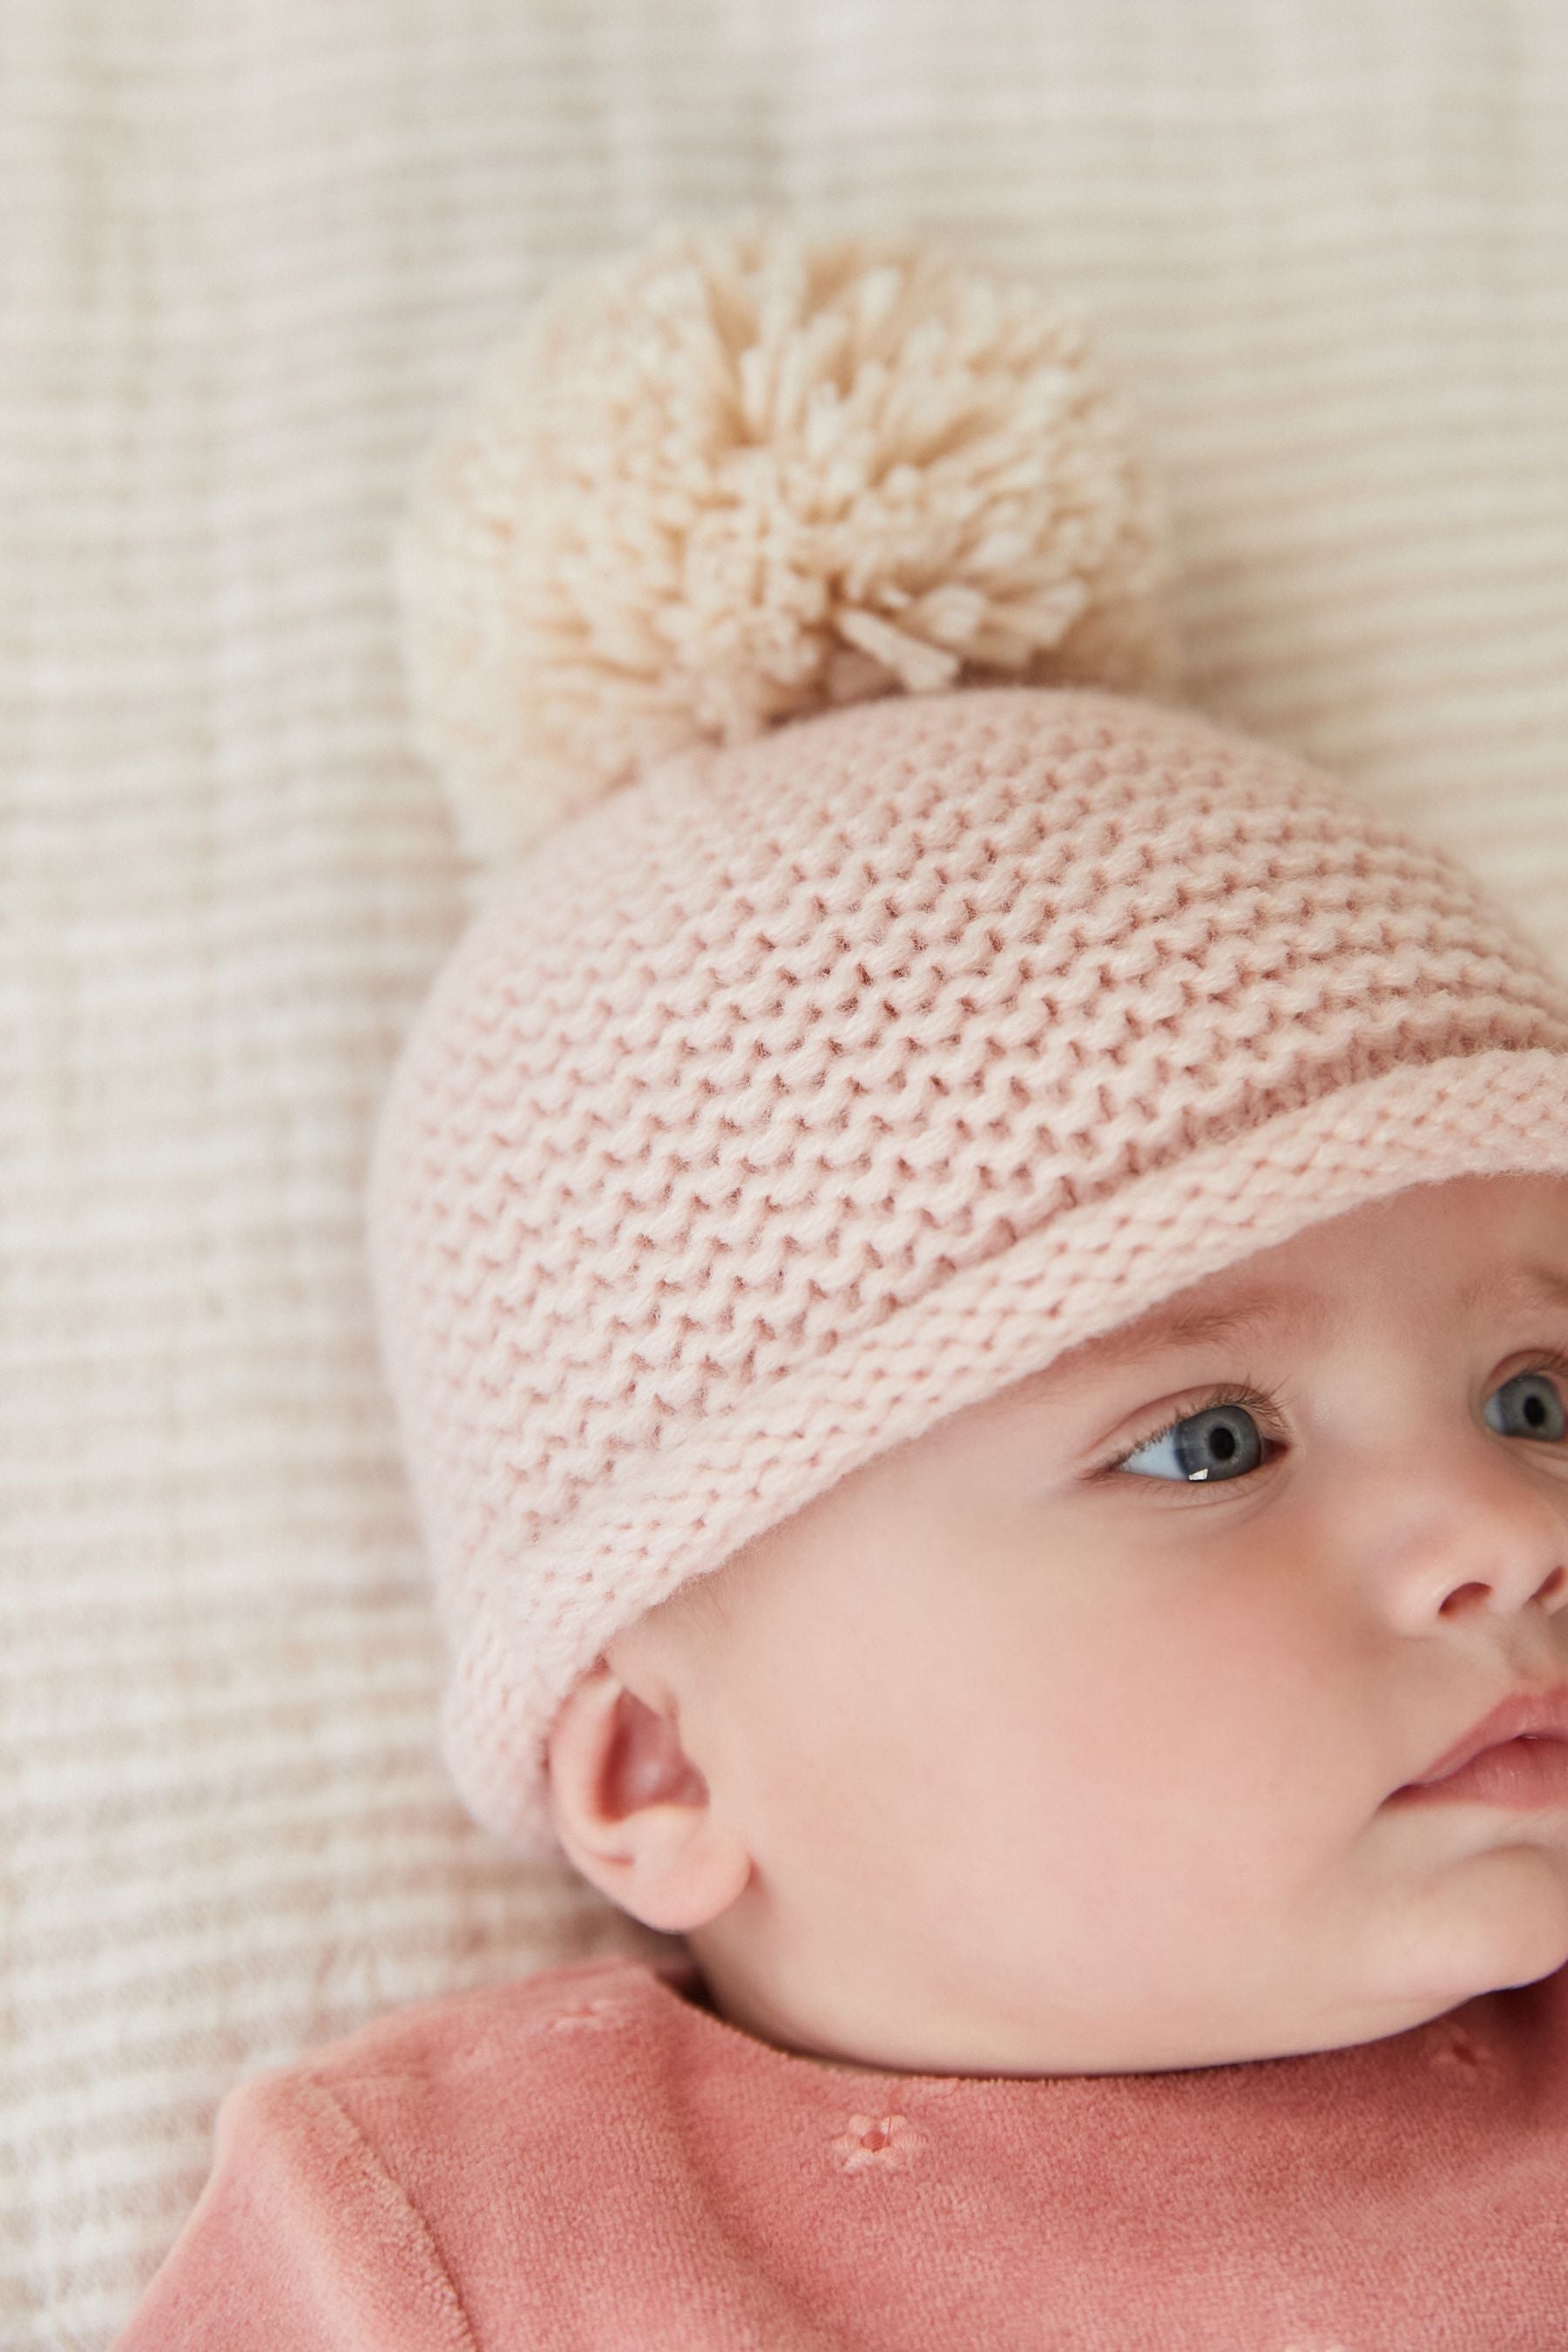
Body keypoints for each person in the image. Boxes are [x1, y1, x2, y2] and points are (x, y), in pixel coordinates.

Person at [114, 217, 1568, 2349]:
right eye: (1207, 1441)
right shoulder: (462, 2243)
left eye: (1539, 1394)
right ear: (661, 1773)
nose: (1511, 1537)